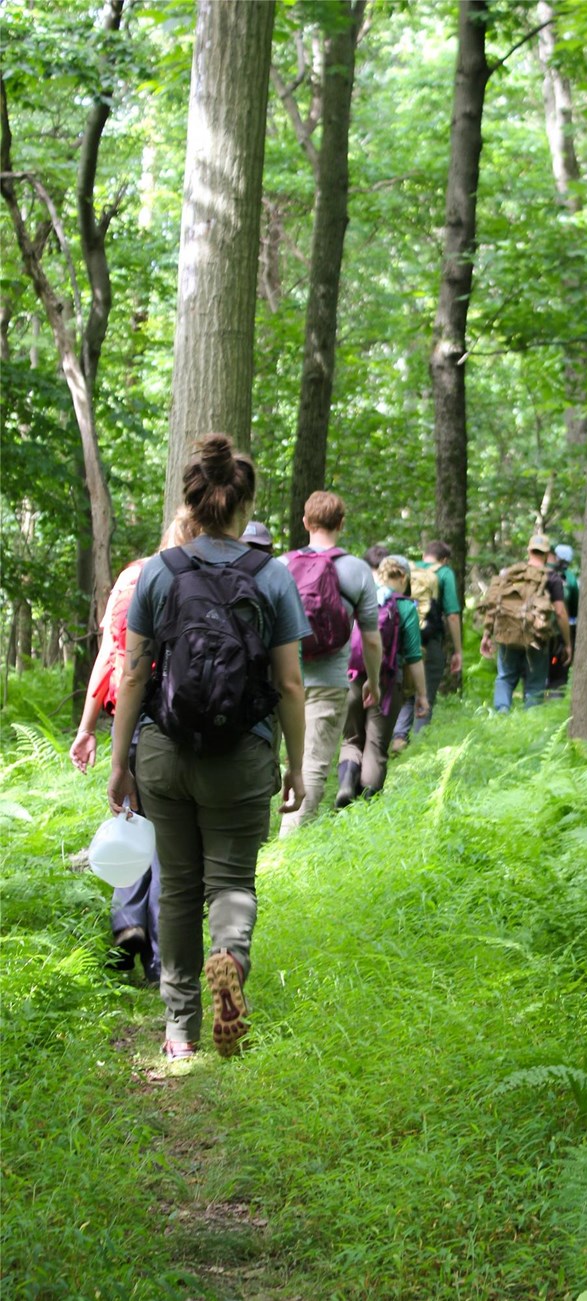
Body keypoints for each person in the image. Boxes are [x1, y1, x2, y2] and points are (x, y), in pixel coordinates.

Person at [107, 434, 308, 1062]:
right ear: (243, 504)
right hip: (244, 754)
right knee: (231, 882)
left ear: (190, 501)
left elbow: (133, 673)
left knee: (175, 891)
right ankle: (230, 956)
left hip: (165, 751)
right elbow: (291, 684)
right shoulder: (271, 576)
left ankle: (179, 1033)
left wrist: (120, 761)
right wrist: (295, 765)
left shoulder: (159, 573)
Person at [69, 508, 195, 982]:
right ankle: (161, 956)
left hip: (128, 713)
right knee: (168, 838)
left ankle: (126, 924)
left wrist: (87, 726)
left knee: (132, 817)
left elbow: (109, 656)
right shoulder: (190, 580)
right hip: (173, 716)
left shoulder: (131, 578)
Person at [277, 492, 382, 836]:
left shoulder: (279, 567)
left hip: (277, 679)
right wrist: (374, 681)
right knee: (312, 763)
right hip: (329, 682)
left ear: (305, 522)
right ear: (341, 524)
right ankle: (289, 845)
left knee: (266, 758)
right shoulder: (357, 570)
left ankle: (252, 839)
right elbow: (370, 637)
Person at [336, 554, 428, 804]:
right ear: (405, 578)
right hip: (387, 683)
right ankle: (367, 802)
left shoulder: (361, 597)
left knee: (352, 739)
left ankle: (345, 785)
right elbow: (413, 656)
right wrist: (422, 695)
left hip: (351, 676)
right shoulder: (406, 606)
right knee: (376, 746)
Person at [480, 533, 572, 712]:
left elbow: (494, 604)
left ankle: (501, 713)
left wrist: (486, 635)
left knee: (505, 678)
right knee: (535, 683)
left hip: (507, 632)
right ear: (547, 554)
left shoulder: (510, 574)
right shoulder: (552, 578)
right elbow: (560, 612)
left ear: (529, 551)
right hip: (536, 637)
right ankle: (529, 721)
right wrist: (568, 643)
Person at [391, 540, 463, 752]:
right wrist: (458, 650)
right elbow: (451, 614)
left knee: (405, 688)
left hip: (400, 638)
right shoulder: (444, 573)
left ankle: (399, 737)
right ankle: (419, 746)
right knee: (426, 691)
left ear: (424, 554)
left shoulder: (406, 568)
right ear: (444, 559)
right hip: (428, 639)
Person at [546, 543, 579, 699]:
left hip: (535, 630)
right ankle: (555, 700)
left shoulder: (537, 572)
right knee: (559, 672)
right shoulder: (569, 577)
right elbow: (575, 605)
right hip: (560, 633)